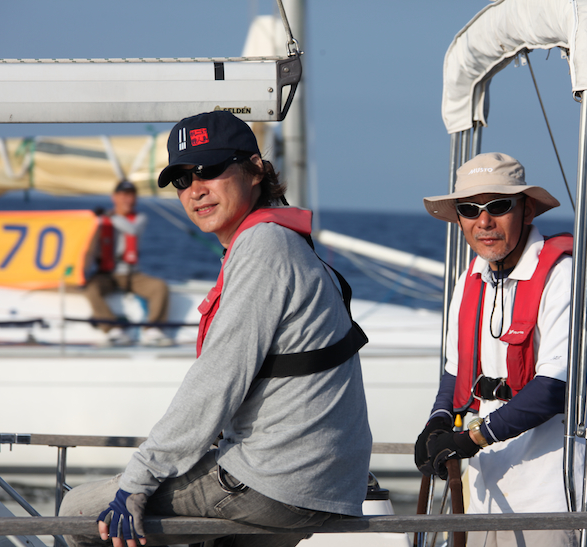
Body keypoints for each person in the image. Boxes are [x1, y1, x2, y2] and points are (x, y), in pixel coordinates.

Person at [60, 110, 373, 547]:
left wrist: (138, 482)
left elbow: (216, 382)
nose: (196, 189)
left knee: (76, 512)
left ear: (256, 170)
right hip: (326, 478)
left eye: (209, 169)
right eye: (182, 179)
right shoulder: (283, 239)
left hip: (277, 479)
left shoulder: (263, 248)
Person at [415, 152, 587, 547]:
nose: (484, 221)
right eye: (470, 209)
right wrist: (437, 423)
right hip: (484, 498)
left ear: (527, 210)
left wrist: (470, 439)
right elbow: (455, 373)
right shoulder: (471, 278)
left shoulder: (563, 277)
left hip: (550, 502)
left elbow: (555, 387)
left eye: (499, 206)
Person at [84, 179, 172, 347]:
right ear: (114, 197)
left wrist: (109, 216)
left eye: (131, 196)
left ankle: (153, 329)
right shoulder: (101, 221)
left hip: (132, 274)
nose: (128, 200)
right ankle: (112, 329)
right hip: (107, 274)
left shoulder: (139, 219)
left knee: (159, 287)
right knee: (91, 289)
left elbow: (132, 230)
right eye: (124, 195)